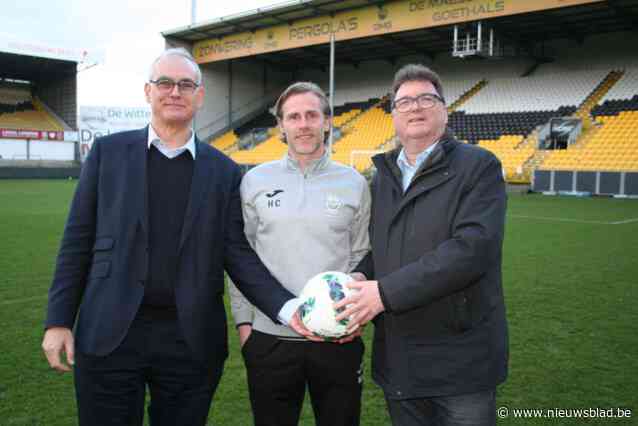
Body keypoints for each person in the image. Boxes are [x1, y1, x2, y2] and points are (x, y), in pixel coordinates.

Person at [41, 48, 310, 426]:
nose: (175, 92)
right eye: (164, 83)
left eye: (186, 85)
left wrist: (286, 308)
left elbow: (238, 254)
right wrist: (58, 321)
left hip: (190, 340)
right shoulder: (107, 154)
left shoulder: (226, 172)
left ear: (199, 96)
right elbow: (77, 243)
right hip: (109, 334)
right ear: (148, 91)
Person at [335, 64, 509, 426]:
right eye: (405, 101)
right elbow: (377, 249)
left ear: (444, 109)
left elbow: (471, 250)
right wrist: (354, 284)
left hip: (461, 360)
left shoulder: (479, 166)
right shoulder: (381, 178)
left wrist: (382, 293)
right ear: (394, 116)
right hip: (401, 358)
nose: (415, 107)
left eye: (426, 98)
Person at [228, 81, 371, 426]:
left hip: (337, 338)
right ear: (281, 126)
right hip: (269, 338)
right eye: (293, 117)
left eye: (311, 115)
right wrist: (245, 325)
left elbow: (361, 256)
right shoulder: (254, 181)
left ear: (327, 122)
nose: (303, 124)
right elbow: (240, 256)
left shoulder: (355, 183)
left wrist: (351, 316)